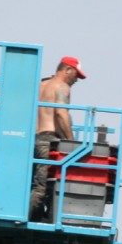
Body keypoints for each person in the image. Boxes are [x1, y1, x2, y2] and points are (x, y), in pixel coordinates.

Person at [31, 56, 86, 220]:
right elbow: (61, 114)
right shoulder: (62, 87)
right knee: (43, 187)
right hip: (48, 140)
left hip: (33, 139)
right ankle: (26, 219)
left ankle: (36, 216)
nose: (76, 80)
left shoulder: (40, 86)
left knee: (33, 183)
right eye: (76, 75)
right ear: (67, 69)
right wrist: (71, 141)